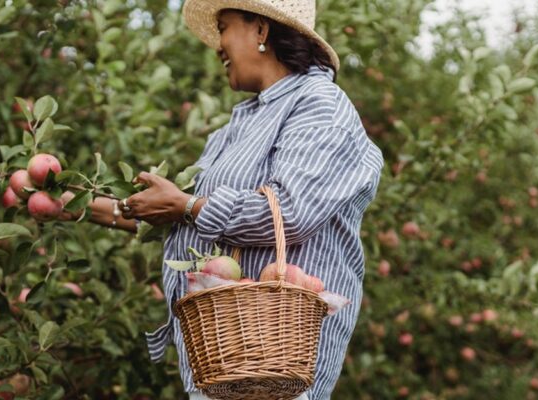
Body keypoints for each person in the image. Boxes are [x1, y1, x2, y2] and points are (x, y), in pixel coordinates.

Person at [84, 0, 383, 398]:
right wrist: (71, 205)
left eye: (224, 27)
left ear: (261, 30)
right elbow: (177, 215)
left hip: (276, 360)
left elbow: (289, 213)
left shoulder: (319, 103)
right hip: (224, 358)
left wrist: (186, 205)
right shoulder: (234, 129)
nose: (218, 45)